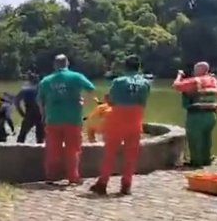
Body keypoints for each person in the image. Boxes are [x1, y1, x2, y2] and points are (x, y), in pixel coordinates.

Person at [90, 55, 151, 196]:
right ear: (139, 67)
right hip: (136, 120)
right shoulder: (146, 83)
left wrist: (107, 99)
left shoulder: (118, 82)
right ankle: (126, 185)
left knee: (110, 153)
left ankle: (103, 183)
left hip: (117, 120)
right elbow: (143, 102)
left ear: (125, 67)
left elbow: (111, 101)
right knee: (131, 155)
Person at [38, 54, 95, 184]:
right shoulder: (76, 77)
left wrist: (44, 116)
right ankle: (73, 177)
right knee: (73, 149)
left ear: (54, 65)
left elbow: (40, 101)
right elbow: (91, 89)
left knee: (53, 148)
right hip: (73, 119)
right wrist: (83, 102)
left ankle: (51, 176)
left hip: (53, 119)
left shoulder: (46, 80)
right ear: (67, 63)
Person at [172, 61, 217, 167]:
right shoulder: (213, 80)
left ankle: (196, 162)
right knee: (206, 138)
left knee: (194, 139)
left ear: (199, 70)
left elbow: (176, 86)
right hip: (211, 115)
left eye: (195, 69)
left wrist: (179, 75)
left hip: (197, 115)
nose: (194, 71)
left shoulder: (196, 80)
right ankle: (206, 159)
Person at [15, 72, 45, 144]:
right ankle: (39, 153)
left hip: (29, 112)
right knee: (40, 137)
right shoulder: (42, 89)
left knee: (22, 136)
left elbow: (16, 102)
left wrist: (21, 113)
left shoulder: (25, 89)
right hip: (40, 113)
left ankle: (18, 151)